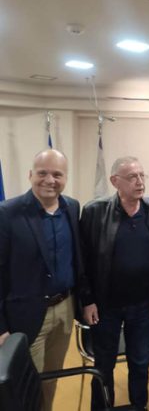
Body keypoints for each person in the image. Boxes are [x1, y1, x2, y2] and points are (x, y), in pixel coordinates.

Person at [0, 149, 84, 411]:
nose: (50, 180)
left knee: (51, 379)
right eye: (42, 173)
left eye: (57, 174)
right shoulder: (7, 212)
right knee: (26, 387)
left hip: (65, 309)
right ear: (30, 175)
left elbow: (78, 259)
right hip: (24, 315)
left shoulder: (72, 207)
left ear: (65, 178)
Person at [80, 156, 149, 411]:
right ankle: (101, 407)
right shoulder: (95, 211)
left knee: (140, 362)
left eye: (142, 175)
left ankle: (139, 406)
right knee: (103, 364)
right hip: (105, 306)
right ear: (115, 181)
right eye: (132, 177)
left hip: (143, 305)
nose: (140, 182)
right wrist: (87, 300)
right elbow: (83, 260)